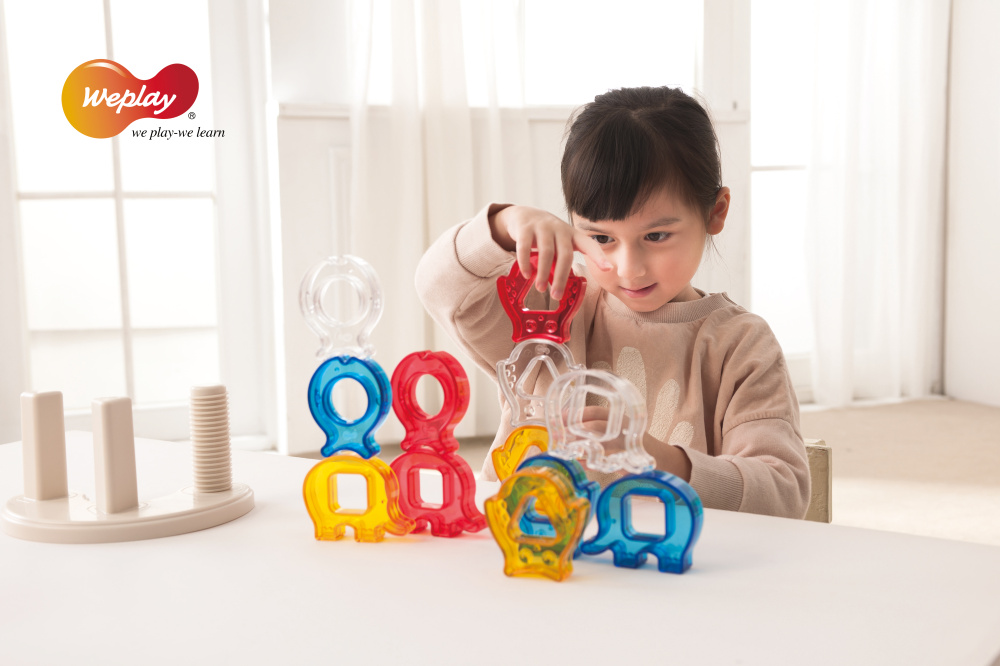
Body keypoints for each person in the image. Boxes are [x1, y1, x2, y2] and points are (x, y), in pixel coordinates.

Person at [415, 86, 810, 519]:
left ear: (715, 212)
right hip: (531, 548)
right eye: (601, 238)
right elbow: (439, 287)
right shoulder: (551, 301)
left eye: (656, 236)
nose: (628, 268)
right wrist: (502, 225)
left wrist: (662, 462)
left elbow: (783, 493)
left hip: (665, 556)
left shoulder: (741, 345)